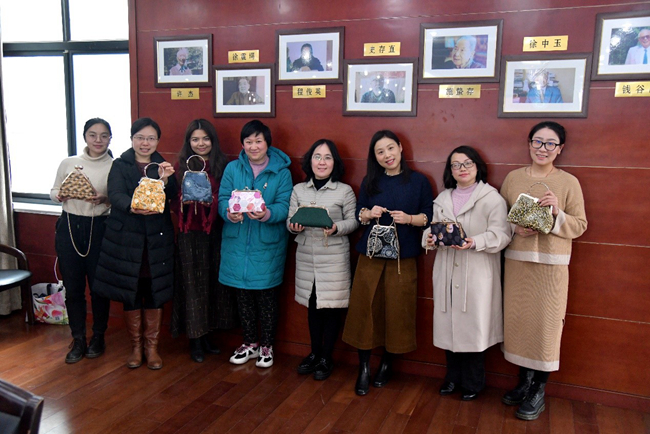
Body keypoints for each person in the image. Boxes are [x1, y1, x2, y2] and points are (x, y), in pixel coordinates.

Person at [500, 121, 587, 420]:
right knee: (519, 323)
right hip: (517, 263)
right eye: (537, 142)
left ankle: (538, 389)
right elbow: (499, 219)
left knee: (546, 328)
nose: (543, 148)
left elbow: (580, 225)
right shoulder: (513, 178)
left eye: (551, 143)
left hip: (552, 269)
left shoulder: (569, 182)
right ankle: (524, 382)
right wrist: (515, 229)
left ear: (560, 149)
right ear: (529, 144)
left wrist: (557, 213)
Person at [342, 130, 433, 396]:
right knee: (364, 309)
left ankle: (387, 362)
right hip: (370, 256)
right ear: (375, 156)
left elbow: (428, 216)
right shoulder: (370, 180)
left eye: (390, 148)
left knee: (397, 310)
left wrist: (409, 219)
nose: (387, 155)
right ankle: (363, 367)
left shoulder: (419, 181)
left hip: (403, 258)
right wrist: (368, 213)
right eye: (380, 152)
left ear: (401, 148)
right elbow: (359, 214)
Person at [422, 146, 511, 401]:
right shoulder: (442, 199)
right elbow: (432, 229)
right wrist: (429, 238)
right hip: (447, 269)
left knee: (472, 328)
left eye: (467, 163)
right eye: (456, 165)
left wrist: (475, 242)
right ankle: (452, 378)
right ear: (450, 170)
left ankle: (473, 382)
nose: (462, 169)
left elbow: (503, 234)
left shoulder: (491, 198)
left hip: (476, 271)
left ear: (477, 166)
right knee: (449, 325)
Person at [93, 117, 178, 370]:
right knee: (130, 289)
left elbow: (172, 195)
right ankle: (136, 347)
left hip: (156, 239)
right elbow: (115, 194)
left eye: (151, 138)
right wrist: (133, 206)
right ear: (132, 139)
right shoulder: (120, 165)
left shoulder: (162, 165)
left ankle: (152, 348)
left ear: (158, 141)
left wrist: (166, 179)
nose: (145, 143)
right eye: (140, 137)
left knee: (153, 289)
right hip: (126, 239)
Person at [218, 120, 292, 369]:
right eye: (248, 141)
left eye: (258, 141)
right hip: (237, 243)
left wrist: (266, 214)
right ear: (242, 144)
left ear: (267, 143)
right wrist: (229, 213)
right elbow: (223, 199)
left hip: (267, 245)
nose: (253, 146)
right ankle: (249, 343)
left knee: (267, 297)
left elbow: (285, 206)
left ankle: (267, 346)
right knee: (242, 295)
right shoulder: (232, 168)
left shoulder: (281, 172)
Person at [287, 139, 358, 380]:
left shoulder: (344, 190)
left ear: (334, 162)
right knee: (312, 305)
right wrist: (293, 226)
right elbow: (289, 220)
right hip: (307, 255)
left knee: (331, 307)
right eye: (317, 157)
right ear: (310, 161)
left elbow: (353, 221)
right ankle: (314, 353)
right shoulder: (299, 189)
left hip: (334, 256)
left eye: (327, 157)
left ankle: (327, 357)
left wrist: (336, 227)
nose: (322, 162)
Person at [170, 119, 234, 363]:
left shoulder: (222, 165)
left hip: (215, 231)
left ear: (213, 140)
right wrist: (186, 199)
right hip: (189, 233)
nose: (201, 143)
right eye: (195, 139)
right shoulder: (181, 166)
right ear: (189, 142)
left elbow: (227, 195)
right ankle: (194, 340)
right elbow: (173, 200)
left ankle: (207, 335)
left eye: (205, 138)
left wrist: (211, 200)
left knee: (212, 284)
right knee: (192, 285)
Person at [51, 118, 114, 364]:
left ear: (110, 138)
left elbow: (118, 199)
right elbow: (53, 191)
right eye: (93, 135)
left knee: (99, 288)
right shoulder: (69, 163)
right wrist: (60, 196)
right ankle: (78, 338)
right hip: (69, 225)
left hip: (100, 227)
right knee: (73, 287)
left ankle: (98, 336)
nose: (98, 140)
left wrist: (104, 199)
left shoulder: (115, 166)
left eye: (104, 135)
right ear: (85, 136)